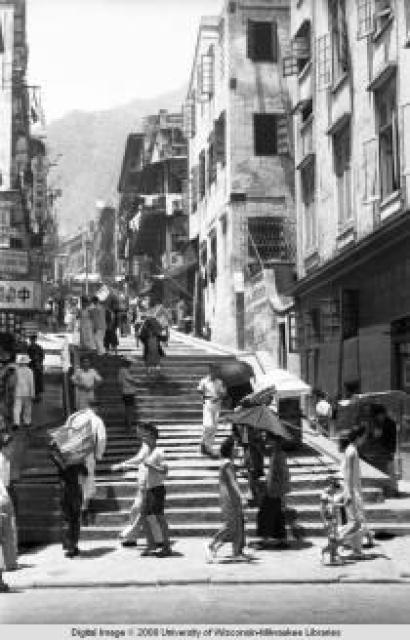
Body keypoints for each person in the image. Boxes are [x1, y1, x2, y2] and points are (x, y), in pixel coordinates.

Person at [111, 427, 161, 549]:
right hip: (143, 483)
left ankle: (130, 536)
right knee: (139, 510)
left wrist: (122, 465)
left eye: (144, 434)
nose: (141, 435)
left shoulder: (153, 447)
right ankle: (135, 538)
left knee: (141, 511)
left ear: (151, 435)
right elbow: (140, 459)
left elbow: (139, 459)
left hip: (149, 484)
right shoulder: (146, 445)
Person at [206, 436, 247, 563]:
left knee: (238, 525)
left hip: (231, 496)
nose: (238, 448)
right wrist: (242, 496)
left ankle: (236, 552)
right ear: (230, 448)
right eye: (235, 446)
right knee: (230, 525)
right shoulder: (227, 463)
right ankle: (212, 544)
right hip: (230, 497)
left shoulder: (229, 463)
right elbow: (233, 481)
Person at [137, 423, 172, 557]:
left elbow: (165, 470)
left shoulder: (159, 452)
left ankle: (167, 547)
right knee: (144, 516)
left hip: (157, 489)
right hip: (148, 488)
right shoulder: (148, 452)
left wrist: (151, 465)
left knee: (160, 518)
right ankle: (150, 545)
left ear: (152, 437)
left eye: (146, 436)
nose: (143, 438)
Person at [49, 442, 88, 558]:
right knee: (75, 519)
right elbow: (85, 474)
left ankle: (70, 546)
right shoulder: (77, 459)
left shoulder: (60, 459)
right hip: (76, 490)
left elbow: (51, 454)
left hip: (64, 491)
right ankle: (73, 545)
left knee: (67, 519)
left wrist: (54, 447)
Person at [339, 426, 373, 558]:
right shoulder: (352, 452)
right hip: (352, 491)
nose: (364, 439)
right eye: (363, 437)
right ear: (358, 437)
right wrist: (350, 493)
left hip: (353, 490)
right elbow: (348, 474)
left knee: (356, 523)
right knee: (355, 523)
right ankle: (338, 537)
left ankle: (356, 551)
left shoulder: (351, 450)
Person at [256, 434, 290, 548]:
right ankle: (282, 539)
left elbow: (281, 475)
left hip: (273, 490)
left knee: (266, 514)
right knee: (277, 515)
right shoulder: (277, 453)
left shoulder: (278, 455)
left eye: (268, 439)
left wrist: (280, 491)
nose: (267, 441)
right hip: (274, 489)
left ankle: (265, 540)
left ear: (275, 441)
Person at [76, 402, 107, 524]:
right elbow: (102, 439)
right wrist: (98, 454)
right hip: (87, 454)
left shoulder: (74, 418)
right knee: (87, 480)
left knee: (76, 481)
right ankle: (84, 509)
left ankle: (75, 509)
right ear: (95, 408)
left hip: (72, 455)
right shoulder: (96, 420)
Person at [197, 365, 226, 458]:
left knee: (214, 427)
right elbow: (199, 390)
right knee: (208, 425)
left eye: (216, 371)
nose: (214, 373)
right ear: (210, 371)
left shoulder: (219, 382)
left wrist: (218, 397)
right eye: (213, 371)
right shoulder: (204, 381)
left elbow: (222, 394)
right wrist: (203, 395)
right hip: (207, 404)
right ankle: (204, 444)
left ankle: (207, 446)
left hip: (216, 405)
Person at [0, 432, 18, 572]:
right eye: (11, 446)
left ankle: (10, 562)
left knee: (9, 530)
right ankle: (9, 563)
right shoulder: (2, 460)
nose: (13, 449)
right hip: (3, 497)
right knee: (7, 531)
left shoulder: (6, 460)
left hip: (5, 495)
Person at [372, 405, 398, 495]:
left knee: (390, 470)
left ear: (382, 414)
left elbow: (393, 439)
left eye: (378, 415)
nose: (378, 417)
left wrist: (392, 451)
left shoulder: (391, 423)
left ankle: (393, 490)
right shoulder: (376, 423)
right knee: (381, 471)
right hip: (379, 451)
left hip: (388, 450)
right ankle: (384, 489)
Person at [13, 354, 34, 430]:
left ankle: (16, 423)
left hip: (17, 392)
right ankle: (27, 422)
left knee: (16, 408)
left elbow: (14, 382)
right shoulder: (30, 371)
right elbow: (31, 383)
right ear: (27, 362)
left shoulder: (17, 371)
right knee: (27, 408)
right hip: (27, 392)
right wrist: (32, 393)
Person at [118, 359, 139, 431]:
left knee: (128, 409)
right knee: (129, 409)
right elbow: (130, 379)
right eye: (130, 363)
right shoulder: (124, 370)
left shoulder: (122, 370)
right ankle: (128, 426)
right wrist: (136, 381)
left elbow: (120, 381)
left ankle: (128, 425)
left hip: (127, 391)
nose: (131, 364)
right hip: (128, 392)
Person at [27, 335, 44, 403]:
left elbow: (42, 357)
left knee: (37, 382)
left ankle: (37, 396)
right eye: (31, 340)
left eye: (33, 340)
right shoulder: (30, 348)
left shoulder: (37, 348)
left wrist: (38, 362)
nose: (32, 341)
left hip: (35, 367)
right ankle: (34, 396)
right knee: (33, 382)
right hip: (32, 366)